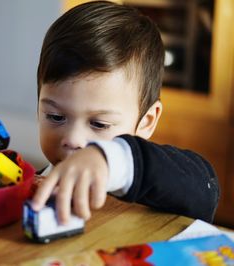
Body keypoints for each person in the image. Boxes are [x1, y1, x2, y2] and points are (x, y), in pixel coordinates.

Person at [31, 0, 219, 224]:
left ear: (147, 122)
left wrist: (110, 159)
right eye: (56, 117)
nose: (73, 139)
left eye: (99, 124)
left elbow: (205, 190)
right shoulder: (39, 180)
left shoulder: (154, 182)